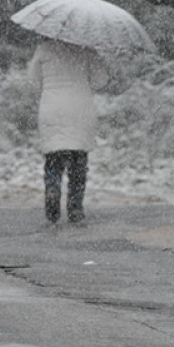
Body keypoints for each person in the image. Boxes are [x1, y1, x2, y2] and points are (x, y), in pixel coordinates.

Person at [28, 39, 109, 224]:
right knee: (78, 164)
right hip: (80, 110)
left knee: (54, 159)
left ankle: (52, 189)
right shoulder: (86, 50)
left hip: (52, 109)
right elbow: (100, 81)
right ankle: (75, 209)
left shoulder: (44, 49)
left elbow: (33, 81)